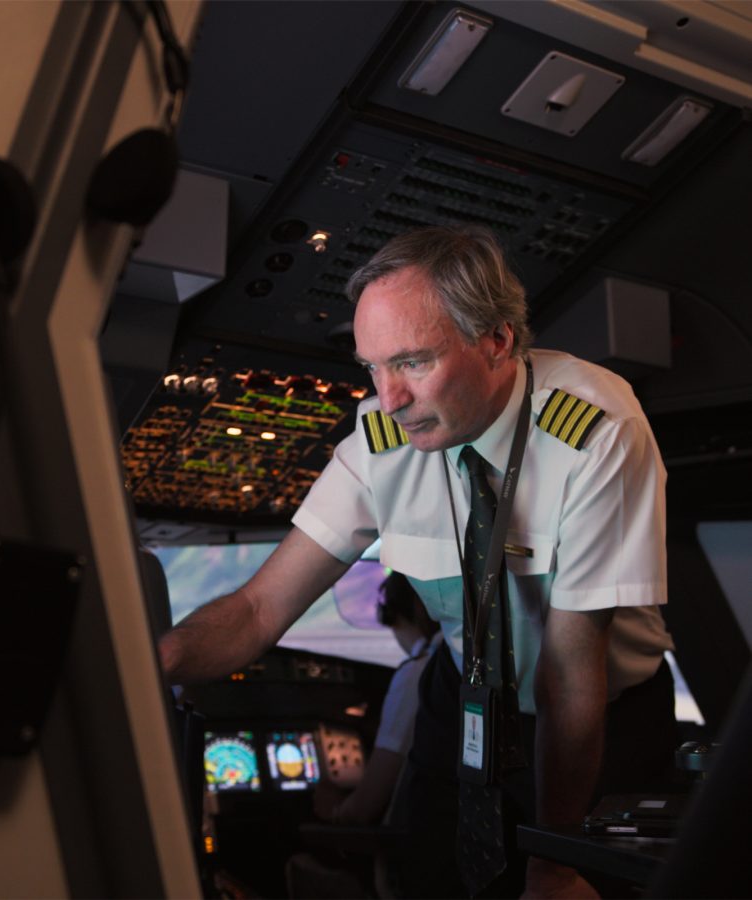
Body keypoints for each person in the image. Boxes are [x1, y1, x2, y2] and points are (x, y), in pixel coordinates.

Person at [160, 225, 677, 898]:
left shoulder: (595, 431)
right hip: (464, 700)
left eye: (411, 362)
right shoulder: (380, 442)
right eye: (372, 366)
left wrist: (556, 863)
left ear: (497, 341)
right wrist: (152, 668)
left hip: (604, 713)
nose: (389, 398)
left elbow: (570, 673)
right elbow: (259, 607)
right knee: (425, 879)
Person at [314, 571, 441, 827]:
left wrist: (334, 812)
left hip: (407, 844)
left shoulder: (417, 672)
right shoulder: (458, 661)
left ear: (396, 616)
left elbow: (367, 805)